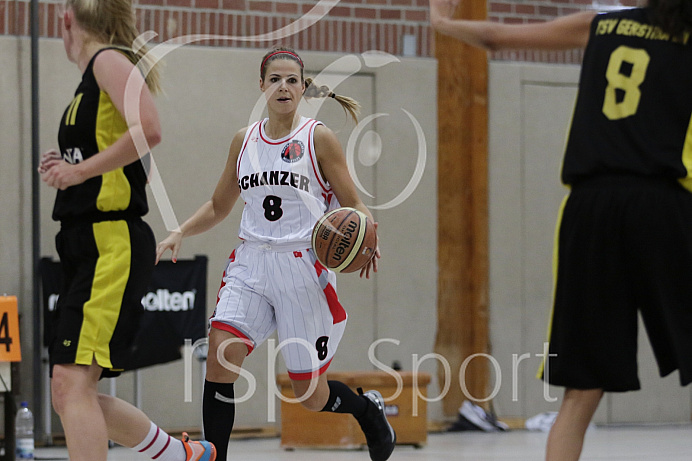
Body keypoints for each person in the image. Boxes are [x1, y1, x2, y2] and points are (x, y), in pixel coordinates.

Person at [430, 1, 692, 460]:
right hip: (662, 206)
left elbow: (496, 38)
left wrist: (443, 23)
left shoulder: (602, 25)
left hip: (591, 210)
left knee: (581, 391)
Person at [155, 46, 396, 461]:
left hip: (303, 266)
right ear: (261, 86)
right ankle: (216, 457)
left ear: (303, 88)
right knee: (220, 355)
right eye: (275, 79)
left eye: (291, 80)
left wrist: (367, 237)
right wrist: (180, 231)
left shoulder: (318, 138)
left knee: (310, 395)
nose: (283, 87)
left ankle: (366, 410)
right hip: (252, 262)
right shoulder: (243, 141)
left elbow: (353, 204)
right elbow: (219, 206)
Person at [38, 1, 216, 460]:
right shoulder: (92, 79)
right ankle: (181, 455)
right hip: (86, 244)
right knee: (70, 391)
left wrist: (79, 175)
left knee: (70, 384)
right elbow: (106, 154)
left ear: (67, 21)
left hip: (110, 244)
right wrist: (68, 168)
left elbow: (149, 129)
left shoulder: (108, 60)